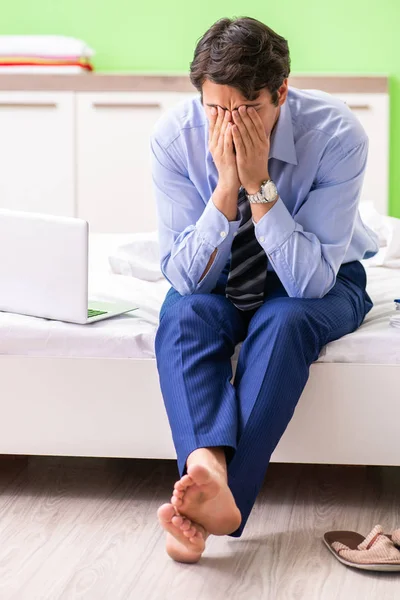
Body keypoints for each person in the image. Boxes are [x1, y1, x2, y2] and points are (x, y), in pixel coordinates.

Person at [150, 16, 379, 564]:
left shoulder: (337, 134)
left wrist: (258, 183)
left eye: (247, 111)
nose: (229, 126)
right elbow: (185, 278)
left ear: (281, 91)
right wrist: (226, 190)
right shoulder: (174, 138)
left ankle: (213, 496)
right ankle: (207, 467)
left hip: (323, 276)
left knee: (284, 321)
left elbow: (309, 283)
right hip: (222, 273)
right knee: (184, 316)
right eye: (216, 109)